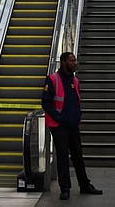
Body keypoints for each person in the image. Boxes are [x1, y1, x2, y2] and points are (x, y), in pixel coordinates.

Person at [41, 52, 103, 200]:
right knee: (62, 157)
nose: (75, 63)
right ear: (63, 62)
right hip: (59, 125)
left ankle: (84, 185)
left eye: (75, 60)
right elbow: (46, 102)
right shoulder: (52, 80)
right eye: (72, 61)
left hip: (73, 125)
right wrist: (59, 117)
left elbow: (76, 101)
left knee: (78, 156)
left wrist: (77, 116)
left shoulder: (75, 81)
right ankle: (65, 188)